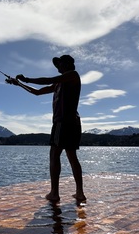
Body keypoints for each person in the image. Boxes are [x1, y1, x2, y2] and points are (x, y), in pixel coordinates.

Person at [7, 54, 86, 204]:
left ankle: (55, 193)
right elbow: (36, 92)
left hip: (63, 122)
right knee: (71, 155)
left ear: (67, 64)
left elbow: (49, 79)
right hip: (72, 123)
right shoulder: (59, 84)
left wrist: (27, 79)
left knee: (54, 154)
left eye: (60, 64)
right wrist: (18, 84)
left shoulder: (72, 75)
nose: (58, 67)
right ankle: (79, 193)